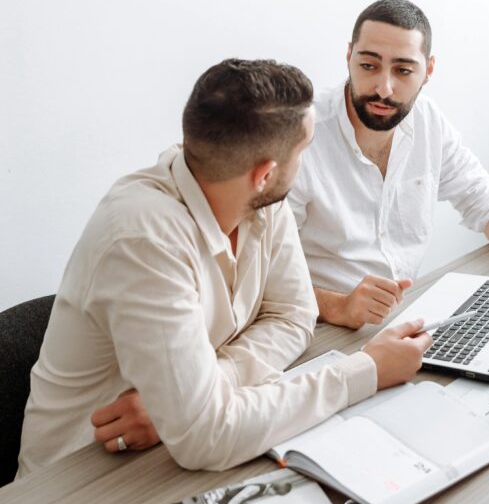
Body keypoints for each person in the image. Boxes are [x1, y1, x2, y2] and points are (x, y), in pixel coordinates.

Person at [17, 58, 431, 476]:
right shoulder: (143, 241)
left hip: (169, 457)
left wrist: (209, 388)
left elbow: (294, 315)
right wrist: (367, 370)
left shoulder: (257, 198)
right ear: (265, 174)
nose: (305, 164)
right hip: (75, 486)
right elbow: (206, 436)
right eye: (303, 152)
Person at [287, 0, 489, 328]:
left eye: (403, 70)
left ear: (428, 71)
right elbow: (260, 272)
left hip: (400, 319)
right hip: (317, 327)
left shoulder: (427, 121)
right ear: (349, 57)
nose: (384, 88)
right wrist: (338, 307)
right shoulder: (300, 136)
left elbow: (485, 200)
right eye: (369, 66)